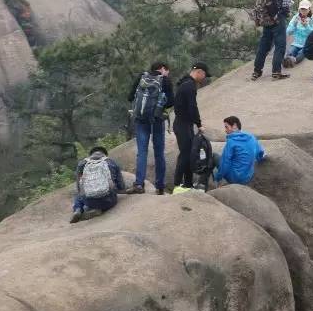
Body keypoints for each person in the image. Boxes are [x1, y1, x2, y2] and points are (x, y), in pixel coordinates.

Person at [126, 60, 173, 195]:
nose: (167, 73)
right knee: (159, 153)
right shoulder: (165, 80)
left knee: (142, 152)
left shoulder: (142, 77)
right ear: (163, 69)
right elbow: (171, 102)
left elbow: (130, 97)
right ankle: (159, 186)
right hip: (157, 120)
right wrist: (159, 106)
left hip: (141, 119)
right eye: (167, 71)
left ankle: (139, 184)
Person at [252, 0, 296, 81]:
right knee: (280, 45)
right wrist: (283, 15)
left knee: (264, 45)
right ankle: (276, 72)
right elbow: (286, 6)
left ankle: (256, 71)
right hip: (277, 20)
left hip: (266, 18)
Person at [172, 62, 209, 189]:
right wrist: (199, 124)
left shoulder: (185, 83)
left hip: (182, 123)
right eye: (204, 75)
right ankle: (176, 184)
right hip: (183, 125)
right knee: (185, 154)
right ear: (199, 72)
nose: (204, 78)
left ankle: (187, 183)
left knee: (188, 154)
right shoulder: (190, 86)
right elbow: (193, 107)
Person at [70, 145, 126, 223]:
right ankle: (100, 209)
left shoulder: (82, 164)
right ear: (105, 154)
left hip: (89, 202)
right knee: (110, 194)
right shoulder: (111, 162)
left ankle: (78, 210)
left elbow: (79, 188)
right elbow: (121, 186)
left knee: (78, 195)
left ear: (91, 154)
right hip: (108, 201)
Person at [214, 116, 265, 186]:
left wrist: (217, 178)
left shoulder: (231, 142)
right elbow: (260, 152)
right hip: (248, 177)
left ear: (234, 126)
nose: (225, 130)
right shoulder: (251, 137)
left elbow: (225, 163)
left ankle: (203, 184)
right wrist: (259, 159)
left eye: (226, 127)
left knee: (214, 156)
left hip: (235, 179)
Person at [284, 0, 313, 66]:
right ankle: (288, 61)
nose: (303, 11)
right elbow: (288, 32)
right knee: (289, 53)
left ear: (309, 9)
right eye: (302, 9)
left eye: (305, 9)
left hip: (307, 44)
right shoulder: (295, 18)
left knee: (301, 54)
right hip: (296, 43)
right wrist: (294, 24)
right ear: (299, 9)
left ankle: (293, 61)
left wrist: (306, 26)